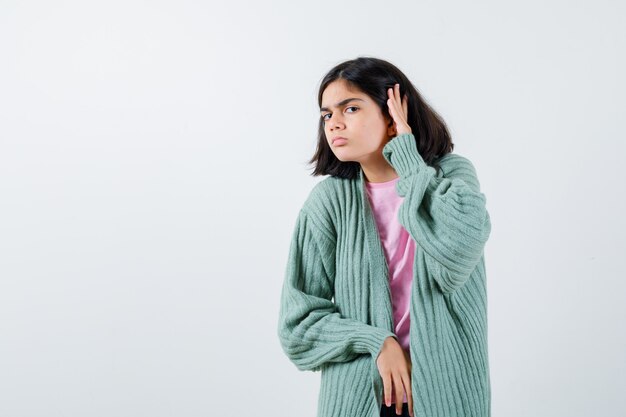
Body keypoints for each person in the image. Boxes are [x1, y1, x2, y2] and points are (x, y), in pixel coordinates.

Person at [277, 56, 492, 417]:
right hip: (360, 400)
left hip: (447, 396)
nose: (335, 123)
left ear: (393, 117)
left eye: (351, 108)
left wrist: (408, 158)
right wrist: (376, 342)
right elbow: (297, 324)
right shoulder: (329, 202)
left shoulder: (452, 176)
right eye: (327, 114)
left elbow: (459, 252)